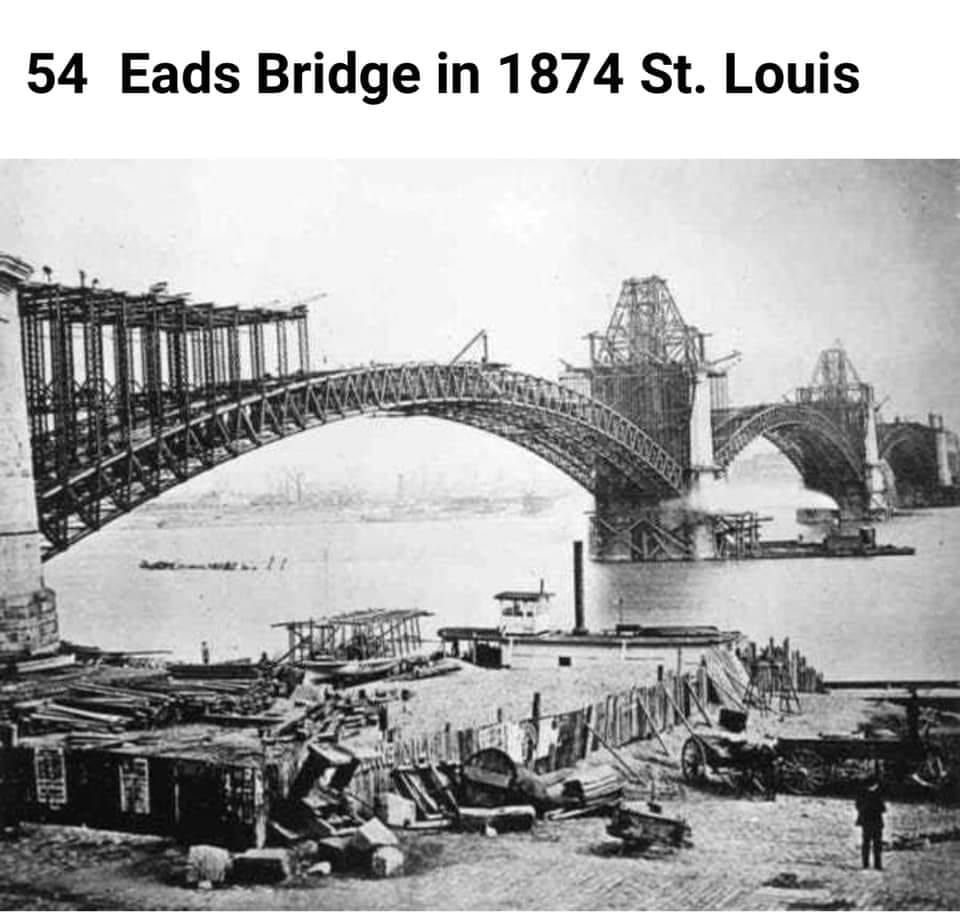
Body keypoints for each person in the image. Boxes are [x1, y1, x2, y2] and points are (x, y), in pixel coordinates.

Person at [855, 775, 886, 870]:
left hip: (866, 822)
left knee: (866, 843)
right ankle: (878, 864)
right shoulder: (878, 794)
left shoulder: (862, 794)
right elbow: (883, 808)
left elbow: (858, 806)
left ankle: (865, 864)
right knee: (877, 844)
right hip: (876, 822)